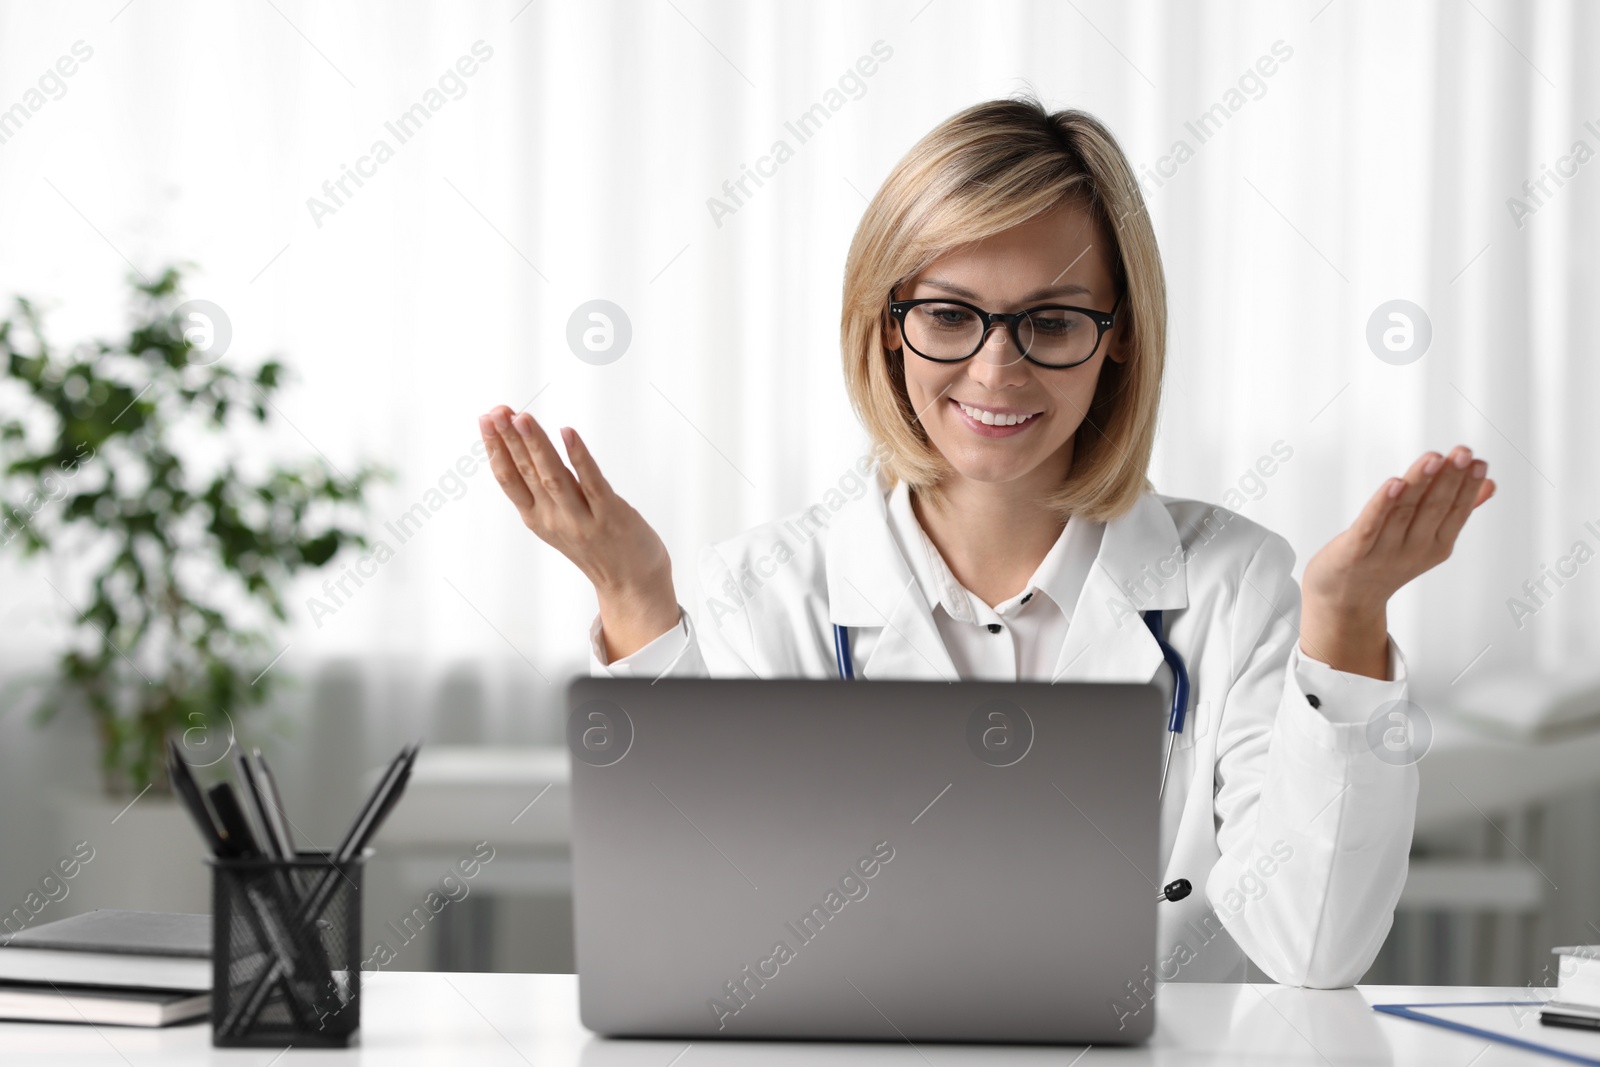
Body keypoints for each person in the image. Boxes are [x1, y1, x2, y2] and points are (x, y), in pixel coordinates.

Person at [477, 97, 1494, 988]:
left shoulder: (1236, 582)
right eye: (951, 316)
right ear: (885, 325)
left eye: (1050, 321)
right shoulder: (768, 588)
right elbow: (700, 920)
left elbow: (1314, 946)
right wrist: (635, 596)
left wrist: (1348, 623)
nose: (995, 370)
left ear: (1120, 334)